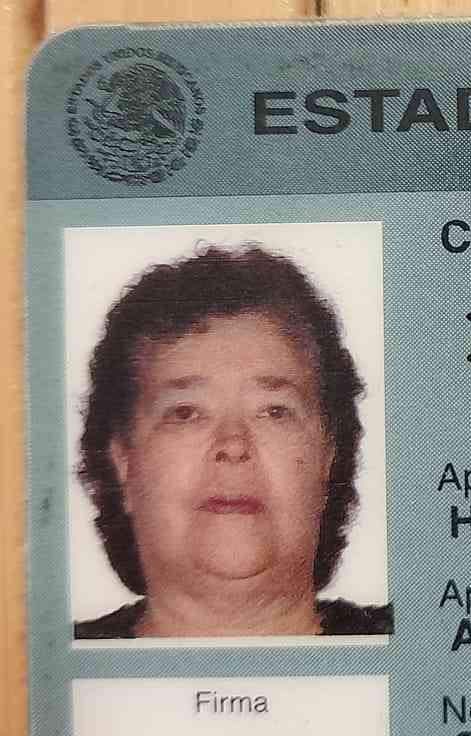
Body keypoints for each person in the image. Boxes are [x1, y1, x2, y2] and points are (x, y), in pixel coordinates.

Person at [74, 244, 391, 638]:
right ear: (122, 461)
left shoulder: (421, 640)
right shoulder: (46, 660)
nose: (234, 445)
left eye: (274, 411)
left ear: (328, 456)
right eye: (186, 412)